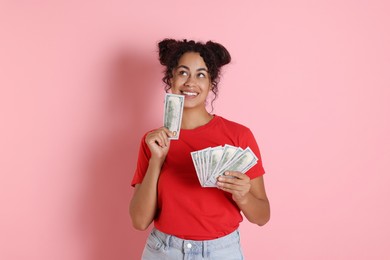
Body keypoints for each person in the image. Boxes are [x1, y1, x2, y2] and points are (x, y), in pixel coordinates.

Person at [130, 39, 270, 259]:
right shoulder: (153, 141)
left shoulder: (238, 136)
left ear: (211, 82)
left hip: (221, 252)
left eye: (201, 74)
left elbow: (262, 216)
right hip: (164, 251)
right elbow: (139, 221)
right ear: (171, 78)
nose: (191, 82)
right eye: (183, 73)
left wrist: (243, 196)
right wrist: (157, 160)